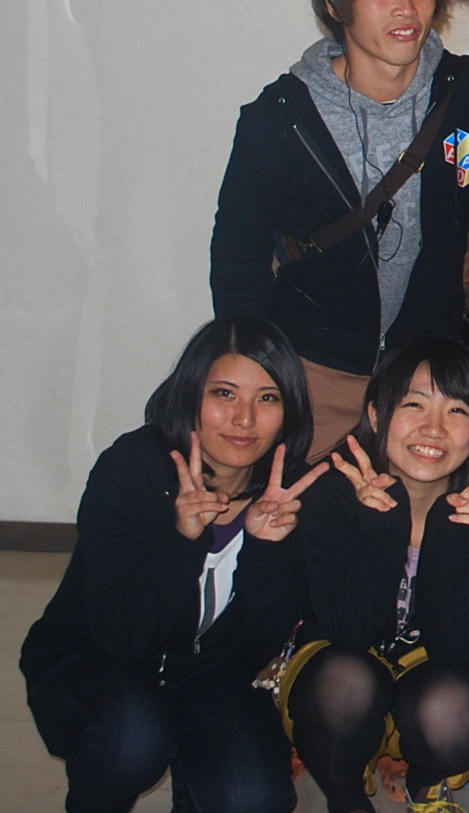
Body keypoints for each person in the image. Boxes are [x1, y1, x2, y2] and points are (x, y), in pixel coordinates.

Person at [211, 0, 469, 458]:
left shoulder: (464, 91)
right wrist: (260, 375)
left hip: (423, 380)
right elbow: (237, 260)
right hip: (313, 372)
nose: (406, 8)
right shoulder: (280, 121)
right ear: (334, 4)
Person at [21, 316, 329, 813]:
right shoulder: (133, 468)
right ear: (190, 395)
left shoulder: (290, 492)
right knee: (133, 738)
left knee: (254, 798)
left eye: (268, 398)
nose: (244, 419)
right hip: (99, 659)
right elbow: (122, 637)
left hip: (213, 674)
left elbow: (256, 648)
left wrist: (266, 547)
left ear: (289, 409)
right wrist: (182, 541)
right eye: (224, 394)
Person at [284, 336, 469, 813]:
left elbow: (454, 647)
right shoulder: (332, 492)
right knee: (344, 683)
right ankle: (346, 795)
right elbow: (349, 632)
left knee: (452, 707)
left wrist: (454, 536)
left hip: (441, 665)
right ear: (375, 415)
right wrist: (380, 526)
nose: (434, 428)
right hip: (344, 657)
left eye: (457, 410)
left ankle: (425, 781)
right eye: (414, 404)